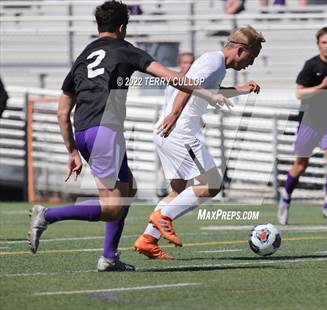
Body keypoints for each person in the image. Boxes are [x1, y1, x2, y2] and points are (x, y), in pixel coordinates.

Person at [27, 0, 230, 272]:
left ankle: (109, 258)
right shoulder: (125, 50)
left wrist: (72, 151)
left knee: (128, 190)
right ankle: (47, 215)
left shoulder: (84, 55)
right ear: (122, 27)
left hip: (84, 132)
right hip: (105, 132)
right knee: (112, 207)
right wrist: (206, 93)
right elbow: (170, 77)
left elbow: (62, 111)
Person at [133, 25, 265, 259]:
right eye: (252, 57)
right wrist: (175, 115)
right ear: (240, 50)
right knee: (212, 184)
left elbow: (205, 91)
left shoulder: (216, 65)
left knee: (177, 190)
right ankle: (163, 217)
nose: (251, 63)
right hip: (180, 131)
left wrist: (239, 90)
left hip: (170, 131)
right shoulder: (212, 61)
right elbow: (186, 84)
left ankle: (147, 240)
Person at [277, 26, 327, 225]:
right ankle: (285, 198)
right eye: (324, 42)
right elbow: (299, 93)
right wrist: (321, 86)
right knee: (300, 165)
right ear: (318, 43)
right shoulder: (311, 65)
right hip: (309, 121)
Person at [157, 52, 195, 197]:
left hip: (188, 129)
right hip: (173, 129)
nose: (188, 65)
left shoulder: (195, 81)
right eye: (185, 62)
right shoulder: (174, 82)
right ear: (180, 64)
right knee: (174, 166)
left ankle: (177, 197)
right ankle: (165, 193)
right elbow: (169, 108)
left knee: (187, 166)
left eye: (191, 62)